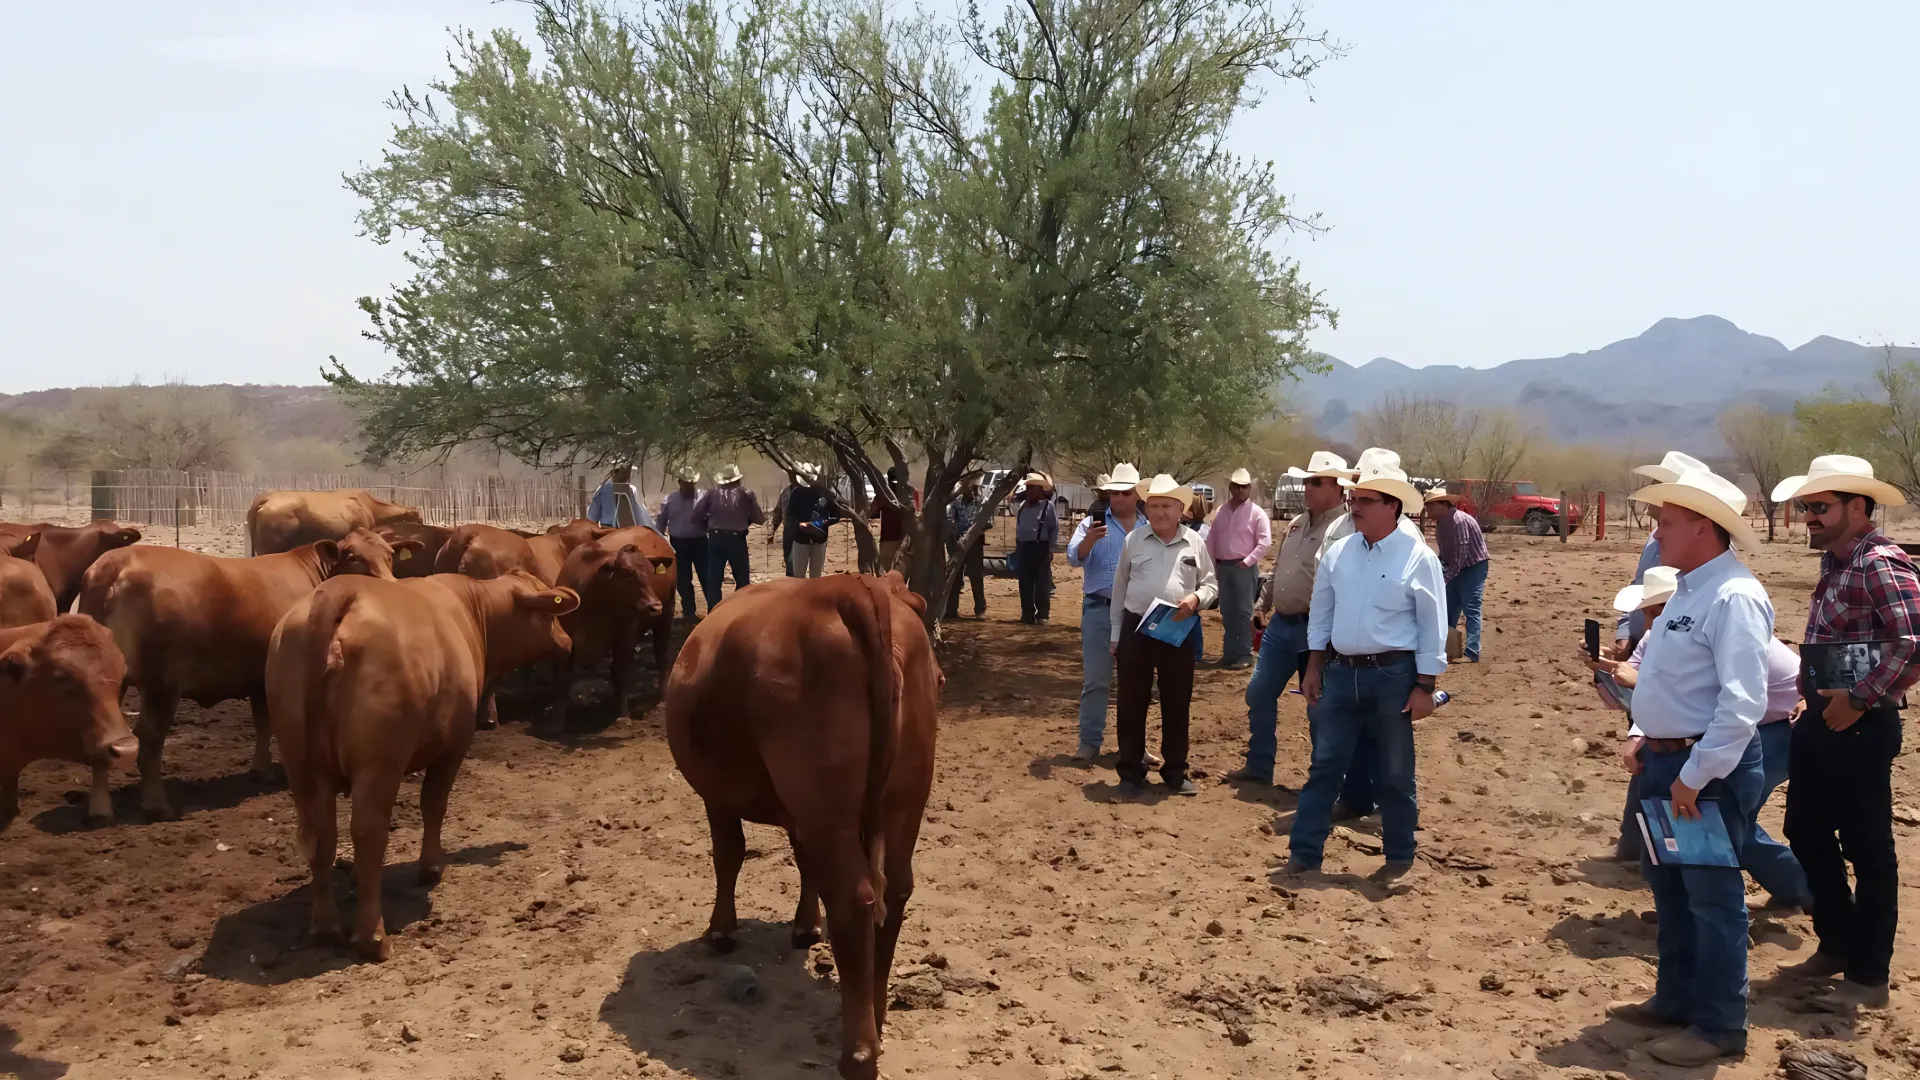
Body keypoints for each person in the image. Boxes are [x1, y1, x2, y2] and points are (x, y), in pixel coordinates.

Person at [1602, 466, 1771, 1067]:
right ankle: (1675, 998)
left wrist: (1693, 777)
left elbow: (1741, 703)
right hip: (1667, 763)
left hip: (1704, 773)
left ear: (1704, 527)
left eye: (1667, 521)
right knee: (1669, 889)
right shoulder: (1691, 590)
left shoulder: (1735, 596)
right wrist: (1647, 735)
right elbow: (1666, 680)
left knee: (1711, 898)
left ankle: (1721, 1024)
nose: (1656, 530)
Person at [1772, 455, 1919, 1013]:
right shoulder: (1837, 566)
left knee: (1868, 849)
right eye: (1807, 506)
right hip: (1823, 718)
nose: (1809, 515)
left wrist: (1858, 700)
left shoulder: (1879, 563)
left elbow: (1914, 641)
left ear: (1858, 508)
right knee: (1804, 830)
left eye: (1820, 506)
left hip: (1860, 724)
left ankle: (1867, 975)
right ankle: (1837, 942)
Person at [1584, 568, 1811, 912]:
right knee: (1702, 809)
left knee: (1726, 817)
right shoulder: (1659, 634)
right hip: (1744, 723)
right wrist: (1604, 671)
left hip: (1782, 723)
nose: (1647, 620)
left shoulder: (1714, 625)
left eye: (1652, 611)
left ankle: (1799, 888)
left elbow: (1710, 696)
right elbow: (1643, 701)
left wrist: (1639, 680)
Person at [1284, 448, 1445, 883]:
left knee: (1395, 772)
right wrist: (1314, 664)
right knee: (1324, 766)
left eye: (1365, 500)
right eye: (1354, 499)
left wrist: (1425, 686)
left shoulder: (1418, 558)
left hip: (1394, 677)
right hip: (1340, 674)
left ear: (1392, 505)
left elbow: (1434, 627)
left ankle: (1399, 856)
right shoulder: (1340, 554)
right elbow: (1321, 613)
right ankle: (1304, 854)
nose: (1354, 506)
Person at [1230, 451, 1365, 791]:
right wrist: (1262, 604)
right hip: (1280, 625)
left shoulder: (1347, 529)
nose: (1307, 487)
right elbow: (1280, 569)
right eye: (1307, 480)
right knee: (1259, 692)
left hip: (1316, 630)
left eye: (1316, 481)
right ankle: (1259, 765)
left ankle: (1325, 780)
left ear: (1338, 487)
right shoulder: (1297, 524)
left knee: (1318, 707)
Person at [1109, 474, 1218, 797]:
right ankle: (1130, 772)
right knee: (1130, 701)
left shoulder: (1195, 542)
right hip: (1136, 628)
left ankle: (1175, 772)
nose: (1160, 512)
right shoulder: (1134, 541)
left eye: (1166, 506)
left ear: (1180, 508)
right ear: (1146, 508)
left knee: (1176, 701)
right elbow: (1120, 590)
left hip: (1178, 629)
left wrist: (1197, 599)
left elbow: (1211, 584)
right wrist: (1116, 635)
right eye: (1154, 505)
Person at [1065, 465, 1146, 759]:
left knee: (1137, 684)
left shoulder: (1148, 529)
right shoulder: (1089, 524)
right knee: (1097, 680)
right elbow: (1073, 558)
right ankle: (1089, 743)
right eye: (1114, 492)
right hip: (1100, 610)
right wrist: (1090, 540)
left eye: (1126, 492)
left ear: (1137, 494)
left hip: (1138, 615)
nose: (1120, 498)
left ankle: (1136, 746)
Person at [1610, 451, 1709, 659]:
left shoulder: (1704, 548)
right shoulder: (1654, 537)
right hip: (1642, 651)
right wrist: (1625, 634)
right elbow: (1638, 588)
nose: (1650, 493)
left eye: (1657, 487)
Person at [1205, 468, 1272, 670]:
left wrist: (1249, 560)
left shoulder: (1257, 513)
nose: (1240, 490)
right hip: (1224, 566)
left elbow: (1265, 541)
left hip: (1244, 566)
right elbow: (1212, 538)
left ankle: (1244, 653)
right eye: (1237, 486)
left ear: (1249, 488)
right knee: (1227, 611)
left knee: (1242, 611)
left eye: (1244, 486)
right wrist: (1212, 563)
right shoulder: (1222, 511)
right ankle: (1230, 653)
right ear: (1231, 487)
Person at [1423, 489, 1489, 663]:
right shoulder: (1440, 523)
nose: (1428, 510)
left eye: (1430, 506)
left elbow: (1461, 554)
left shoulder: (1458, 521)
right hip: (1455, 567)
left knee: (1471, 608)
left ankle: (1472, 652)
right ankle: (1449, 649)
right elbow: (1445, 553)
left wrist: (1444, 579)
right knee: (1449, 609)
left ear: (1443, 504)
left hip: (1473, 566)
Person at [695, 464, 764, 602]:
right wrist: (746, 519)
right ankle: (739, 610)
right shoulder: (746, 493)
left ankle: (714, 613)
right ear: (738, 479)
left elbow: (696, 515)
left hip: (716, 538)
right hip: (736, 539)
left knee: (714, 581)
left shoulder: (711, 493)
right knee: (742, 580)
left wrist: (709, 523)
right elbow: (759, 519)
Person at [657, 468, 711, 618]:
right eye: (687, 483)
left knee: (707, 577)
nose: (690, 486)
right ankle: (689, 611)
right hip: (678, 544)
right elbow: (661, 522)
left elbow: (712, 517)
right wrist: (659, 541)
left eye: (692, 483)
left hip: (700, 542)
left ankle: (714, 609)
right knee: (683, 579)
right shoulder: (669, 500)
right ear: (680, 482)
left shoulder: (704, 497)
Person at [1014, 473, 1059, 624]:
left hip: (1041, 547)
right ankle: (1027, 614)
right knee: (1025, 583)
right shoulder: (1022, 507)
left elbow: (1054, 528)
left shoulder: (1048, 506)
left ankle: (1042, 615)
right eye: (1027, 488)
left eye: (1031, 488)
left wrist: (1051, 548)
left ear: (1039, 490)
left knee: (1041, 582)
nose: (1028, 491)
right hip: (1024, 548)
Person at [778, 463, 836, 579]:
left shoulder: (826, 494)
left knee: (816, 577)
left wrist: (820, 525)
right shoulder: (796, 494)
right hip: (800, 539)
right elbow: (790, 515)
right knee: (798, 576)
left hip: (818, 540)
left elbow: (835, 516)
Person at [944, 478, 989, 620]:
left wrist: (974, 530)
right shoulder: (956, 501)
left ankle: (980, 610)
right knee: (955, 576)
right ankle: (951, 609)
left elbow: (988, 522)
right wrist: (955, 531)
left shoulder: (982, 501)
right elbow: (950, 517)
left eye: (970, 488)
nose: (968, 490)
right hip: (958, 541)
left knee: (976, 576)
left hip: (975, 542)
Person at [587, 464, 656, 529]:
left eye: (628, 472)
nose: (627, 475)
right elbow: (592, 518)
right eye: (624, 472)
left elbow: (592, 517)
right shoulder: (602, 490)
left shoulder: (632, 489)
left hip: (625, 529)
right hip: (609, 529)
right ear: (614, 473)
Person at [877, 466, 919, 572]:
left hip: (898, 538)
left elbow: (873, 513)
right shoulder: (911, 492)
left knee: (893, 573)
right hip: (898, 538)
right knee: (895, 573)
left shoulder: (884, 493)